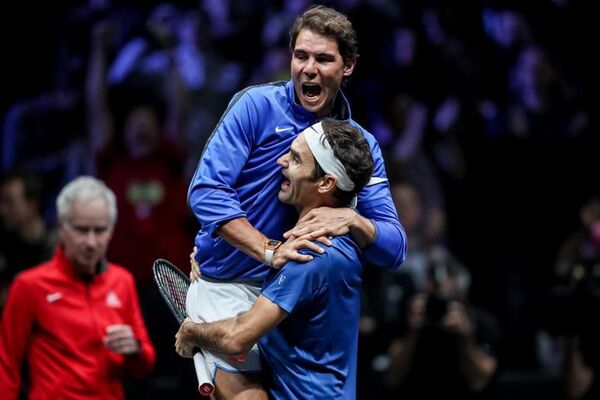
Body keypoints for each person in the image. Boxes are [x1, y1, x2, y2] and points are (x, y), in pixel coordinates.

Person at [186, 5, 406, 397]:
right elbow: (205, 191)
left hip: (296, 300)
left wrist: (354, 221)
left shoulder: (359, 145)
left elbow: (394, 247)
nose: (309, 68)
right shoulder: (255, 107)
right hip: (231, 286)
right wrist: (267, 249)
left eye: (324, 58)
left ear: (348, 66)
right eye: (301, 55)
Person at [177, 119, 374, 399]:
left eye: (295, 159)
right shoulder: (343, 243)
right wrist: (211, 253)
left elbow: (237, 338)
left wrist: (192, 333)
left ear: (326, 183)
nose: (281, 161)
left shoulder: (310, 254)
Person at [0, 176, 156, 399]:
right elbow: (6, 366)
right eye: (82, 230)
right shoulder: (29, 286)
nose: (91, 242)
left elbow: (145, 364)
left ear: (111, 231)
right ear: (62, 229)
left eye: (100, 230)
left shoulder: (122, 281)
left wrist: (135, 351)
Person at [383, 260, 499, 400]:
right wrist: (413, 333)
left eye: (448, 300)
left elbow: (480, 381)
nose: (440, 306)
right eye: (435, 297)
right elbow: (392, 377)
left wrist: (465, 336)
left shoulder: (479, 321)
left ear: (463, 296)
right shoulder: (410, 317)